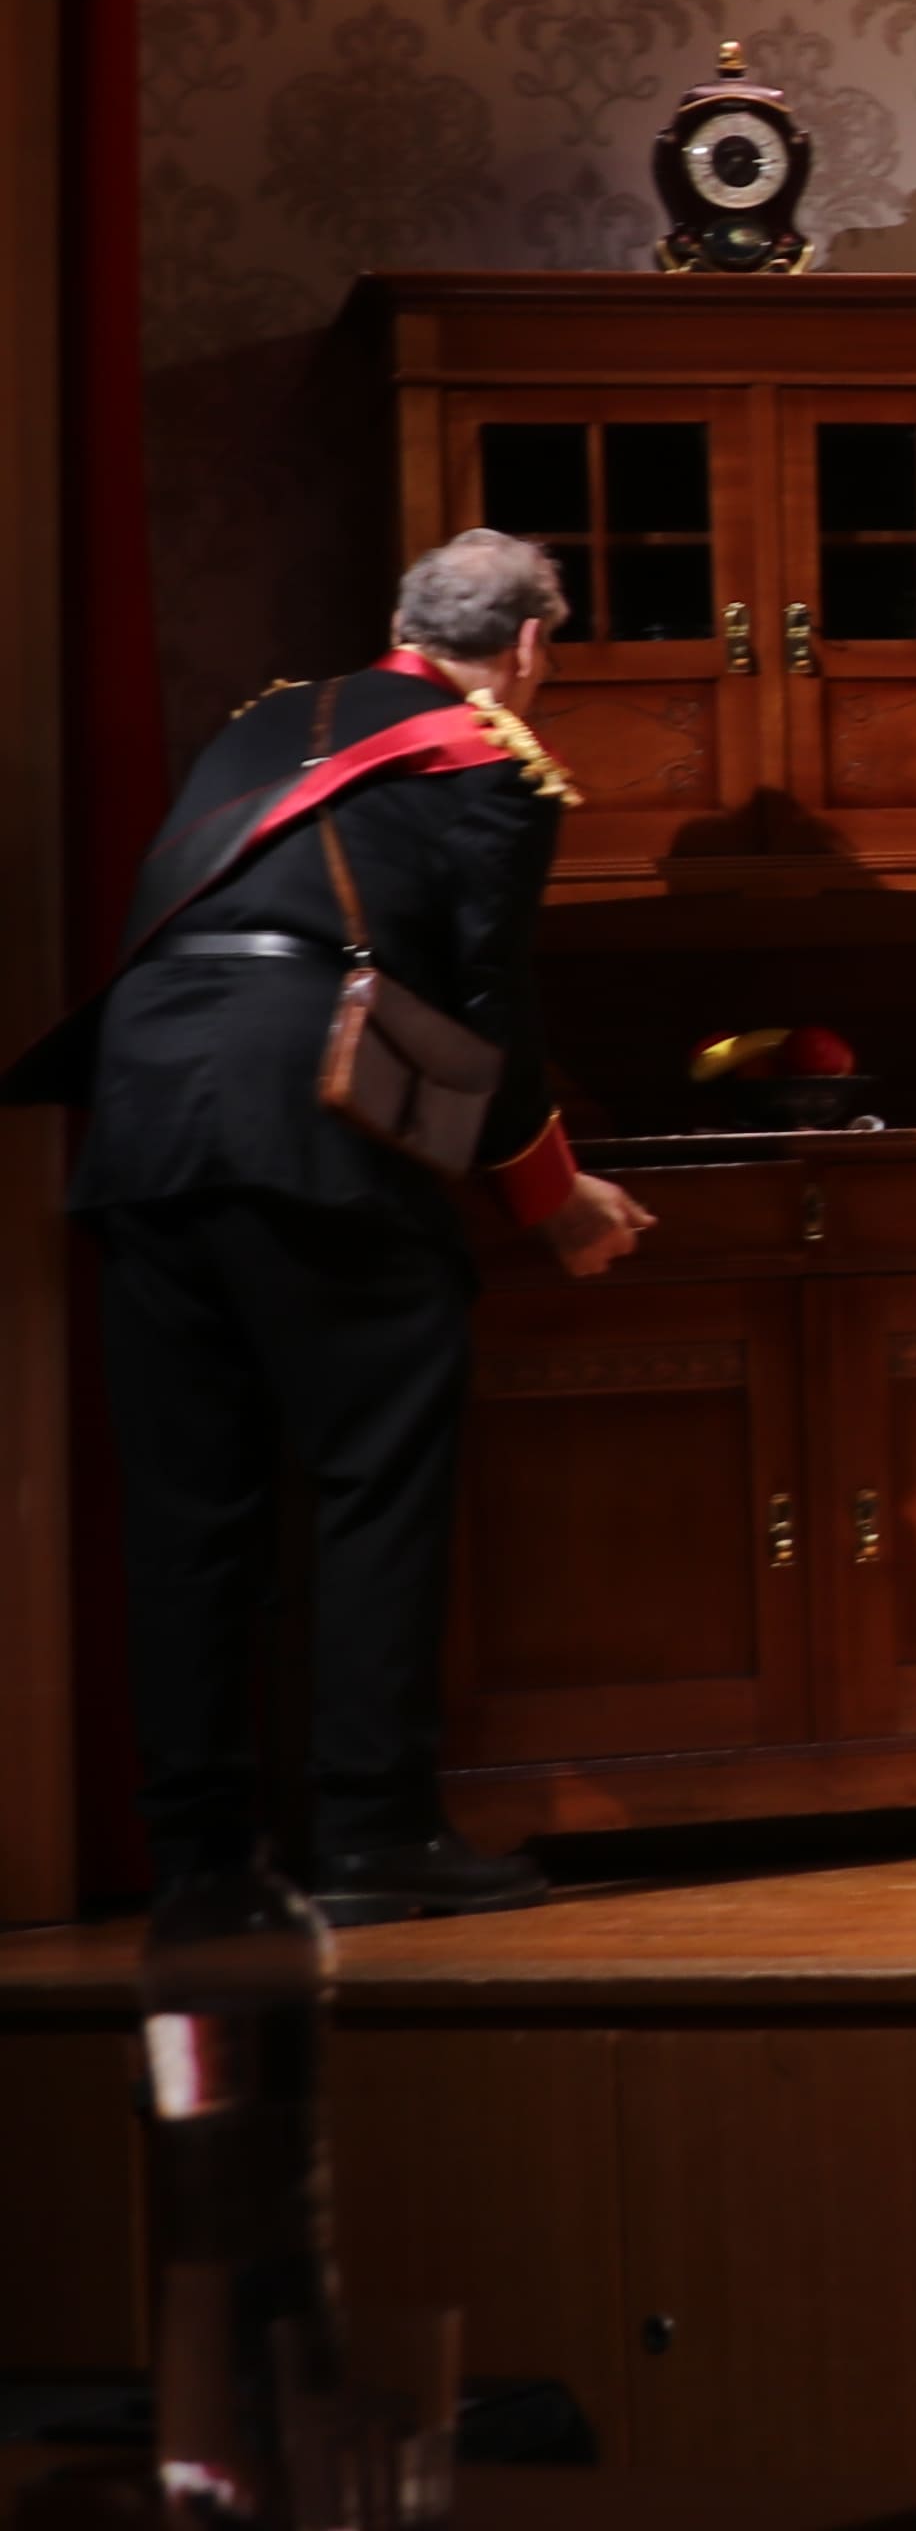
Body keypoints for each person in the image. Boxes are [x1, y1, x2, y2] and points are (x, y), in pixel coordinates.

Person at [56, 534, 653, 1919]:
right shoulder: (489, 754)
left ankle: (199, 1856)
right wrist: (549, 1195)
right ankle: (376, 1833)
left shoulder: (266, 720)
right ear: (530, 647)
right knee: (376, 1483)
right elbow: (491, 1000)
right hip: (309, 1123)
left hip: (144, 1115)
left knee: (190, 1512)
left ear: (400, 621)